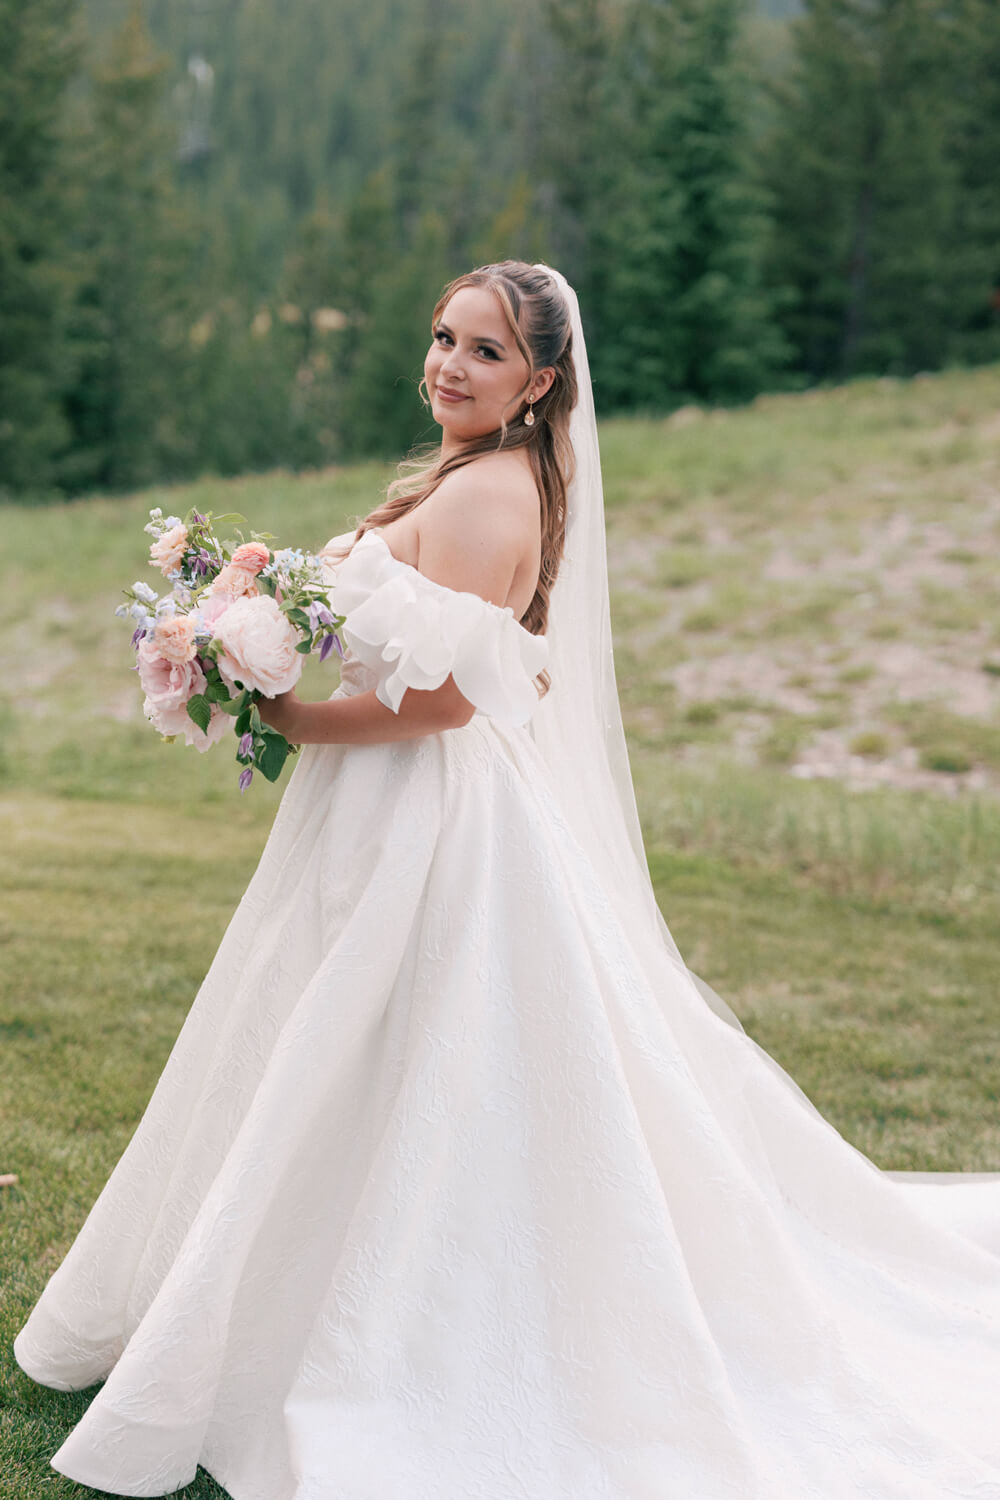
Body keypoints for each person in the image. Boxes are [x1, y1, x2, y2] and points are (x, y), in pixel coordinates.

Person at [13, 260, 1000, 1499]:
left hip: (432, 819)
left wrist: (289, 717)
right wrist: (244, 616)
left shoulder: (490, 500)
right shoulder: (472, 474)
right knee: (327, 1048)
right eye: (440, 337)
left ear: (539, 381)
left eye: (482, 351)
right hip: (379, 812)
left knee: (398, 1049)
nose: (447, 364)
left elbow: (433, 703)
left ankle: (379, 1338)